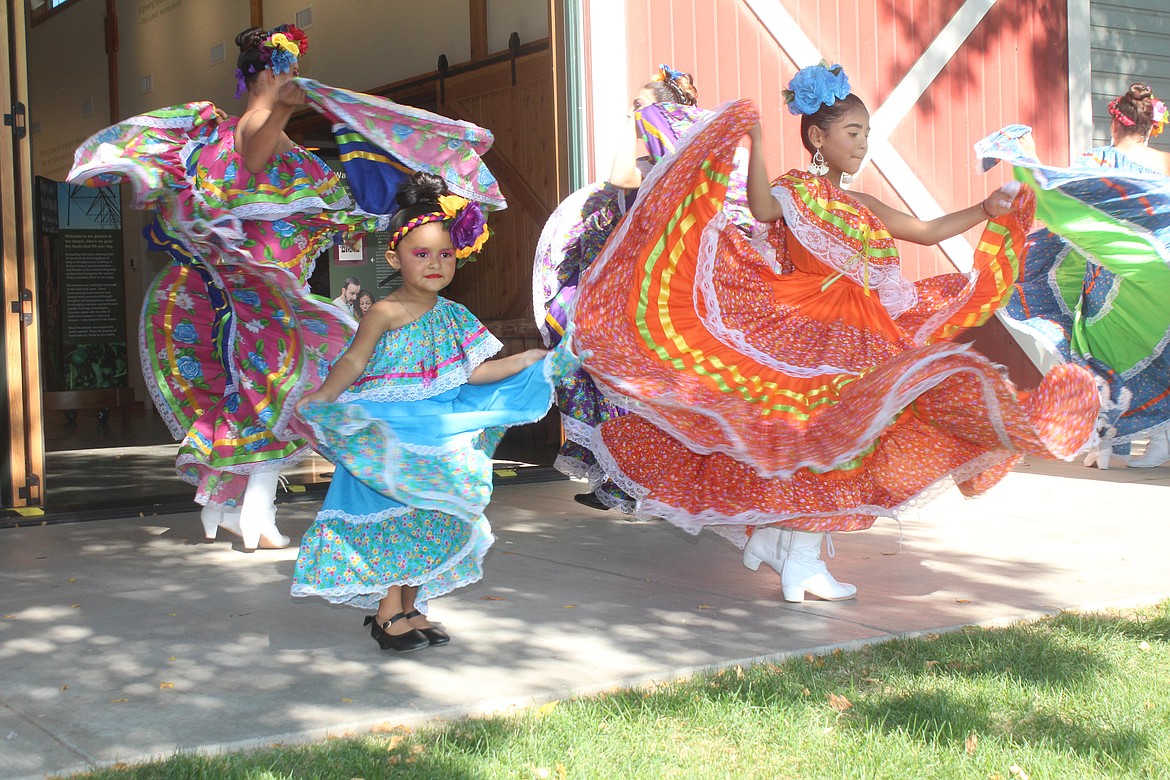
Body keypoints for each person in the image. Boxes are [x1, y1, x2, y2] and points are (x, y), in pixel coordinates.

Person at [572, 63, 1099, 602]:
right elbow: (759, 207)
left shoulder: (862, 204)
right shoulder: (797, 191)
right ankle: (796, 558)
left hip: (865, 330)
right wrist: (754, 140)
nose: (863, 144)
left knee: (845, 441)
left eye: (867, 135)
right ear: (819, 137)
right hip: (808, 330)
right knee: (820, 443)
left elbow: (922, 230)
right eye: (854, 133)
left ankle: (783, 544)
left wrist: (984, 210)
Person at [68, 24, 505, 549]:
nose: (293, 76)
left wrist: (416, 211)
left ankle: (226, 506)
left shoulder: (279, 143)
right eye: (285, 68)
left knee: (264, 397)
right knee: (283, 392)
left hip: (269, 300)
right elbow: (251, 154)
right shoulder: (250, 129)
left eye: (293, 69)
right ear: (267, 72)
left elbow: (330, 210)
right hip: (261, 299)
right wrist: (280, 107)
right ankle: (251, 510)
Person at [292, 172, 576, 651]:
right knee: (394, 515)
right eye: (420, 254)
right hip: (392, 431)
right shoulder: (383, 312)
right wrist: (323, 395)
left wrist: (528, 360)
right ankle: (388, 614)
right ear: (394, 257)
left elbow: (475, 372)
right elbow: (355, 360)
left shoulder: (456, 315)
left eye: (445, 254)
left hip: (437, 429)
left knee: (430, 513)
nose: (434, 263)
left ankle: (410, 606)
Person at [533, 65, 750, 512]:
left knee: (642, 388)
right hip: (643, 296)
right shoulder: (675, 166)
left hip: (660, 301)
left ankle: (643, 485)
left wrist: (635, 121)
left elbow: (618, 178)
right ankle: (626, 482)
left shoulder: (670, 169)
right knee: (618, 383)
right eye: (636, 108)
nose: (635, 114)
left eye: (641, 106)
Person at [979, 83, 1170, 469]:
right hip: (1155, 264)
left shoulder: (1099, 159)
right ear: (1151, 127)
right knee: (1159, 349)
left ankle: (1114, 441)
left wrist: (1028, 160)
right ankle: (1143, 440)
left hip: (1113, 271)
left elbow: (1065, 199)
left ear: (1114, 126)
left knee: (1101, 351)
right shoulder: (1165, 163)